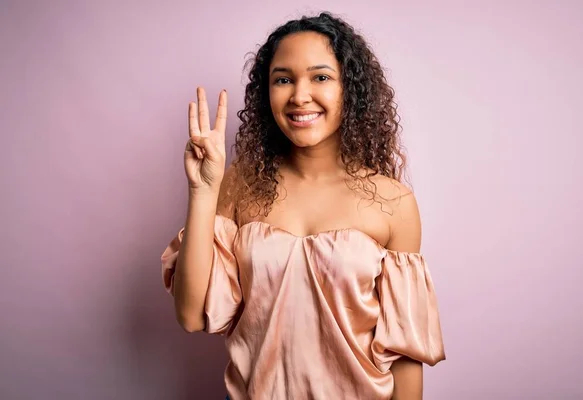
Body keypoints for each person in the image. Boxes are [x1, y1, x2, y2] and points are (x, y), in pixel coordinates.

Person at [161, 12, 445, 400]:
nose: (299, 95)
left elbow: (406, 351)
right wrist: (204, 191)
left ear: (351, 89)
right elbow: (191, 315)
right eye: (283, 79)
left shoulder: (393, 201)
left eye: (321, 77)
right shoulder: (241, 186)